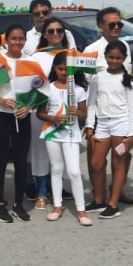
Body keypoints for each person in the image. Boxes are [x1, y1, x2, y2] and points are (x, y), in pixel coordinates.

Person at [86, 7, 133, 207]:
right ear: (101, 26)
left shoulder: (124, 45)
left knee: (122, 158)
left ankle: (117, 193)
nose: (116, 27)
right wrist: (89, 123)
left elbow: (128, 81)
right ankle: (98, 196)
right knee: (96, 161)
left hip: (121, 116)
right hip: (100, 113)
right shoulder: (91, 50)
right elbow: (88, 85)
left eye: (119, 24)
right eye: (111, 24)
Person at [0, 23, 33, 224]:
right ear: (7, 40)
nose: (17, 42)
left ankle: (18, 203)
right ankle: (0, 204)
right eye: (13, 38)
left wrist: (29, 106)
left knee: (22, 161)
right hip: (0, 114)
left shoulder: (30, 61)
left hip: (22, 115)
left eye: (21, 38)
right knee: (1, 159)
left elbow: (38, 89)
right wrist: (2, 100)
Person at [38, 52, 90, 224]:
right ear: (54, 68)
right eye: (60, 69)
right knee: (56, 169)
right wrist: (52, 118)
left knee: (74, 171)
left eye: (67, 70)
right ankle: (57, 206)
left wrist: (79, 113)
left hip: (71, 134)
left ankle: (81, 211)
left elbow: (84, 113)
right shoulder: (48, 88)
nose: (64, 73)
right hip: (52, 133)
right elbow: (40, 113)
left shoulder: (78, 89)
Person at [28, 17, 71, 210]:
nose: (55, 34)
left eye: (59, 30)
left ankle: (58, 189)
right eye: (51, 31)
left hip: (66, 112)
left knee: (63, 151)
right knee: (40, 151)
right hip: (42, 111)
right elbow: (30, 85)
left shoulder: (72, 54)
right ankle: (42, 192)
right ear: (44, 34)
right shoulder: (36, 57)